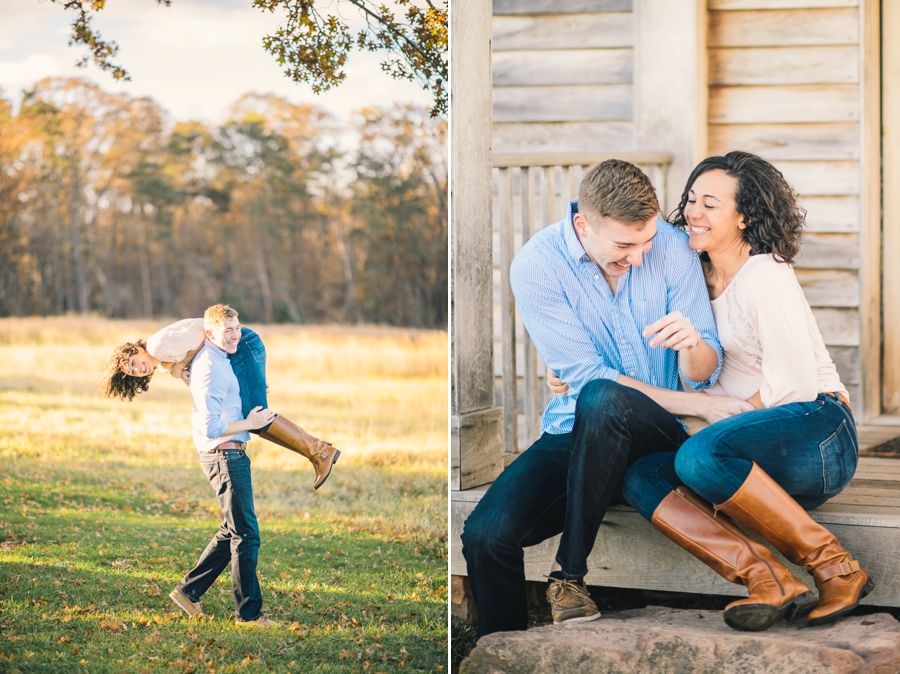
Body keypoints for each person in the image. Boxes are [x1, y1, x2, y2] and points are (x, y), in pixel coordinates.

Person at [551, 152, 871, 631]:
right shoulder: (689, 281)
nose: (693, 212)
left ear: (745, 216)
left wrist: (708, 424)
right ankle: (768, 580)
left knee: (697, 456)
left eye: (710, 203)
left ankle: (836, 566)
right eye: (690, 199)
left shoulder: (765, 274)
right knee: (641, 476)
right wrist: (568, 375)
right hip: (740, 455)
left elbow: (796, 388)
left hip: (819, 434)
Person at [461, 159, 748, 636]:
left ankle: (569, 576)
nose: (637, 256)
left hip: (660, 435)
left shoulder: (674, 248)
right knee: (486, 537)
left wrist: (694, 346)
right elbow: (589, 377)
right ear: (582, 225)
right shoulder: (537, 266)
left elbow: (706, 370)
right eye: (623, 245)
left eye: (645, 242)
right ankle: (502, 654)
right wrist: (703, 405)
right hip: (575, 429)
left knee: (602, 396)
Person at [102, 316, 339, 490]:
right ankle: (318, 451)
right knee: (253, 420)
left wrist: (182, 366)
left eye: (132, 363)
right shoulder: (165, 362)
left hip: (240, 342)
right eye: (133, 373)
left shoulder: (157, 346)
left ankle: (319, 451)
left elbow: (204, 336)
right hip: (237, 347)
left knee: (256, 416)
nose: (137, 370)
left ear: (135, 350)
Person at [166, 304, 277, 625]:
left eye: (238, 328)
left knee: (233, 530)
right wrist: (249, 421)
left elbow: (227, 398)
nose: (235, 335)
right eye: (227, 330)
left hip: (231, 453)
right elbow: (211, 426)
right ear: (210, 333)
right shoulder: (210, 368)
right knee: (247, 535)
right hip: (224, 455)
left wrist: (254, 391)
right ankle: (250, 614)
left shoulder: (221, 360)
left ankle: (188, 592)